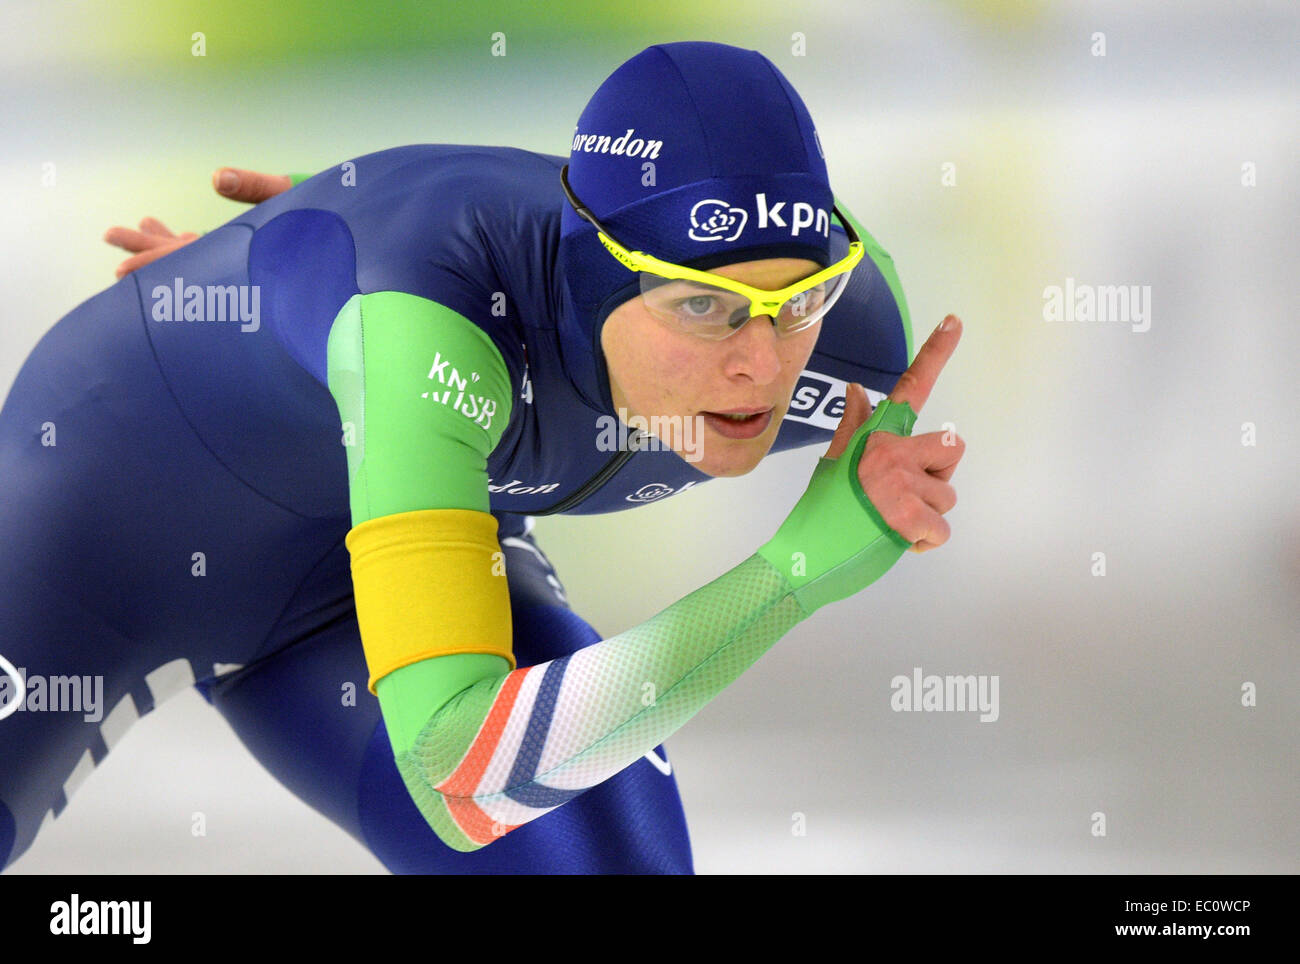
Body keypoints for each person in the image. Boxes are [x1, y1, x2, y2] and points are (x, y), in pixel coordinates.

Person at [0, 41, 964, 873]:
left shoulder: (854, 343)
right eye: (701, 306)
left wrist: (322, 270)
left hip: (349, 583)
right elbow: (461, 782)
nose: (761, 363)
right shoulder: (427, 342)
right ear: (593, 279)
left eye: (797, 301)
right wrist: (795, 571)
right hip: (110, 526)